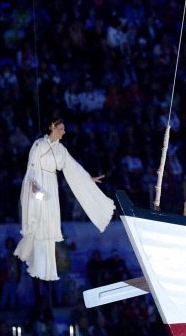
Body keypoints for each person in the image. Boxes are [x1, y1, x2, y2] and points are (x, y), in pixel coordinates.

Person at [14, 119, 114, 281]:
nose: (64, 132)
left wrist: (88, 179)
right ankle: (34, 259)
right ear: (53, 128)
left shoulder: (61, 149)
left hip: (51, 186)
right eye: (61, 129)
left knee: (49, 224)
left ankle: (45, 267)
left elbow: (73, 166)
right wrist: (32, 184)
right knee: (38, 221)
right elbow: (31, 166)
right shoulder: (39, 144)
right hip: (38, 182)